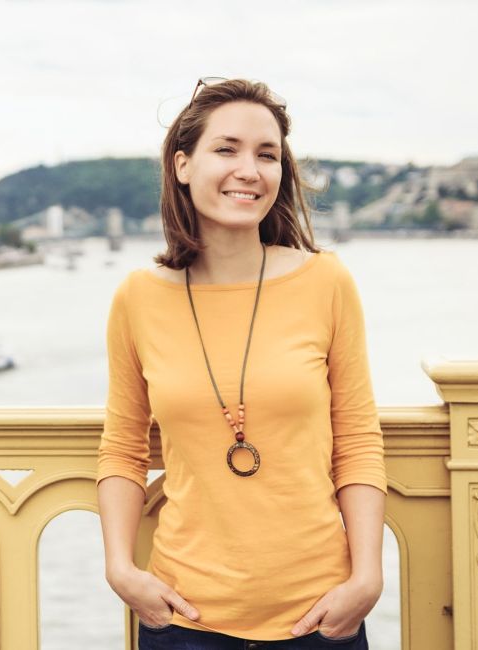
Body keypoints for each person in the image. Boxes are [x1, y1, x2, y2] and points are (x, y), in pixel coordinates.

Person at [96, 78, 386, 649]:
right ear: (182, 165)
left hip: (322, 617)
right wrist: (120, 570)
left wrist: (367, 578)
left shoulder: (325, 281)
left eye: (267, 154)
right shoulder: (138, 297)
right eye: (226, 149)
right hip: (184, 618)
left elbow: (357, 438)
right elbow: (123, 447)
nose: (249, 169)